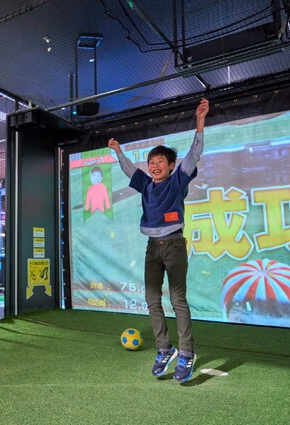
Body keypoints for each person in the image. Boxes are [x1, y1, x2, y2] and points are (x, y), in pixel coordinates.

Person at [108, 98, 209, 383]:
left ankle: (187, 353)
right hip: (152, 248)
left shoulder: (178, 181)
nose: (154, 166)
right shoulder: (145, 185)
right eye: (151, 162)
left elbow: (194, 154)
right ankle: (165, 349)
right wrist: (119, 151)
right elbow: (130, 170)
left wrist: (200, 123)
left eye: (160, 162)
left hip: (174, 246)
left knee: (177, 300)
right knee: (152, 300)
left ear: (171, 165)